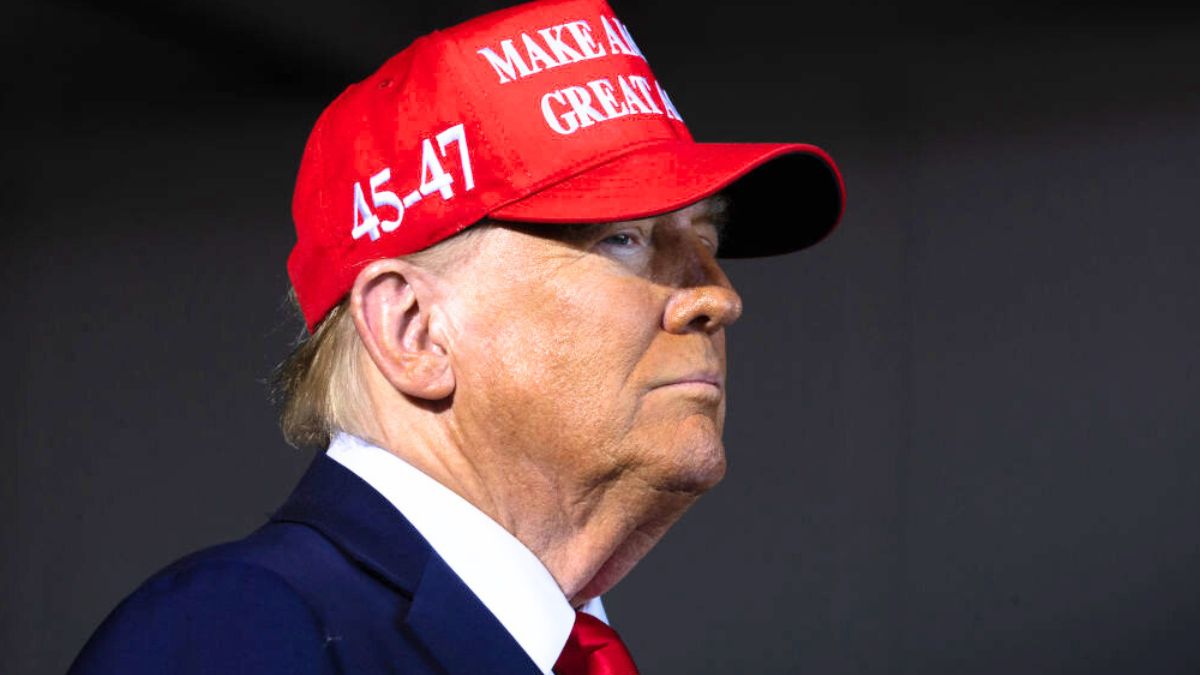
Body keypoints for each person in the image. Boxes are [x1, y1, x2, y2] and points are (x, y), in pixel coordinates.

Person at [68, 0, 844, 673]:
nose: (717, 295)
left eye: (705, 238)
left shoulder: (532, 644)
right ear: (413, 328)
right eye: (623, 238)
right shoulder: (239, 636)